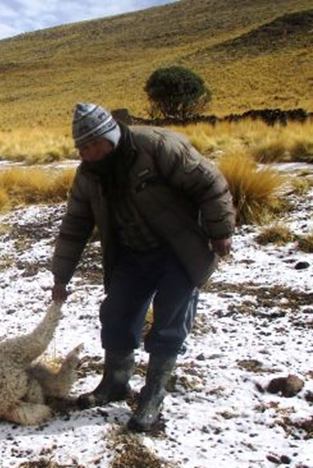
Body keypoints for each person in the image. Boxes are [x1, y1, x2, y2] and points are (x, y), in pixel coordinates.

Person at [51, 103, 235, 432]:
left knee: (168, 323)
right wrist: (61, 276)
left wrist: (220, 231)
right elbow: (74, 227)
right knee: (115, 314)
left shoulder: (156, 146)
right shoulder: (88, 175)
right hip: (132, 255)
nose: (91, 153)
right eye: (83, 148)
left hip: (180, 250)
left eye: (96, 144)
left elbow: (210, 183)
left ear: (111, 135)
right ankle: (116, 383)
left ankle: (154, 394)